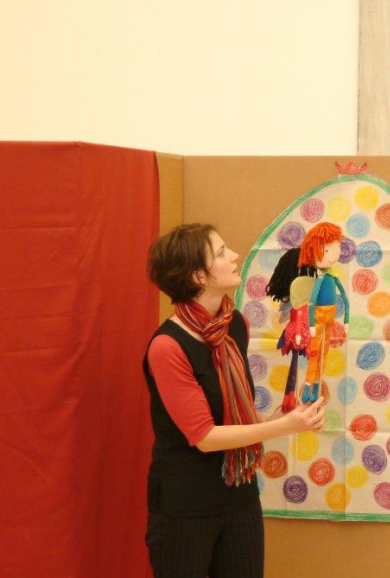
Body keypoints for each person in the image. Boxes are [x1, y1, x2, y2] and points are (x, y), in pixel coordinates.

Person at [144, 223, 325, 577]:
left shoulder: (235, 324)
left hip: (239, 495)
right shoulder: (167, 347)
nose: (235, 256)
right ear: (197, 276)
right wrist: (285, 427)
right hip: (185, 506)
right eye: (222, 252)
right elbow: (206, 436)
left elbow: (237, 413)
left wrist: (282, 416)